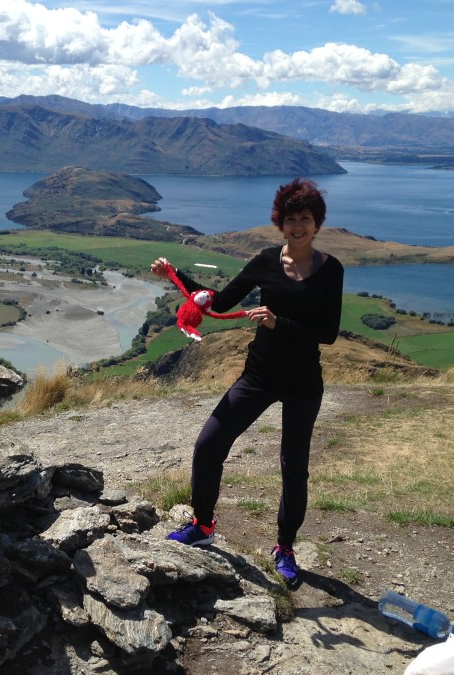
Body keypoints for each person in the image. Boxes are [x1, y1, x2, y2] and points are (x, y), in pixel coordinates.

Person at [149, 177, 344, 588]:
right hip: (260, 375)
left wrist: (277, 322)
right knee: (208, 444)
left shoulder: (331, 270)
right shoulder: (265, 261)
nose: (297, 226)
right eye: (290, 219)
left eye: (305, 219)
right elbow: (219, 301)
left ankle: (285, 548)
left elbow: (327, 333)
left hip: (303, 382)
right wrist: (174, 275)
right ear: (280, 223)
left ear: (317, 223)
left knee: (294, 467)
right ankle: (203, 525)